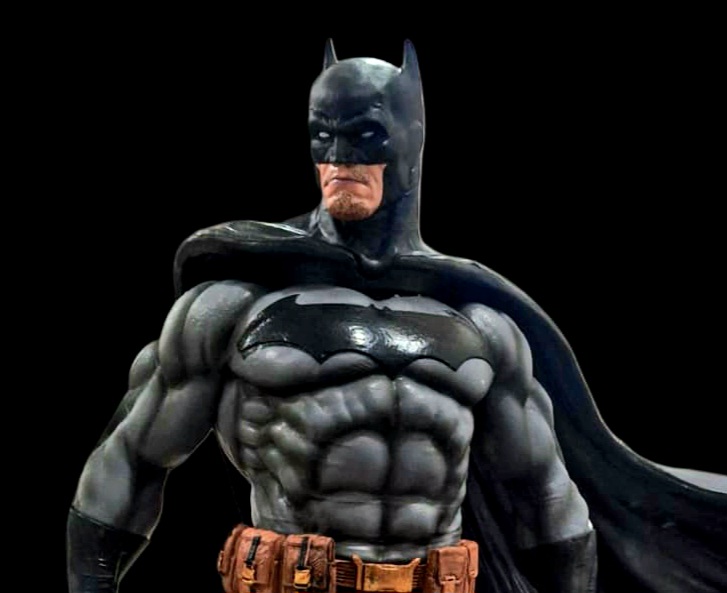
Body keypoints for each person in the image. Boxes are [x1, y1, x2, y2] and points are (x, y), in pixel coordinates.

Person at [67, 40, 726, 593]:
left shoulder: (479, 324)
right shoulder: (232, 309)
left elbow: (546, 501)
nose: (339, 159)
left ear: (411, 142)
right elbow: (128, 464)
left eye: (365, 136)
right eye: (322, 135)